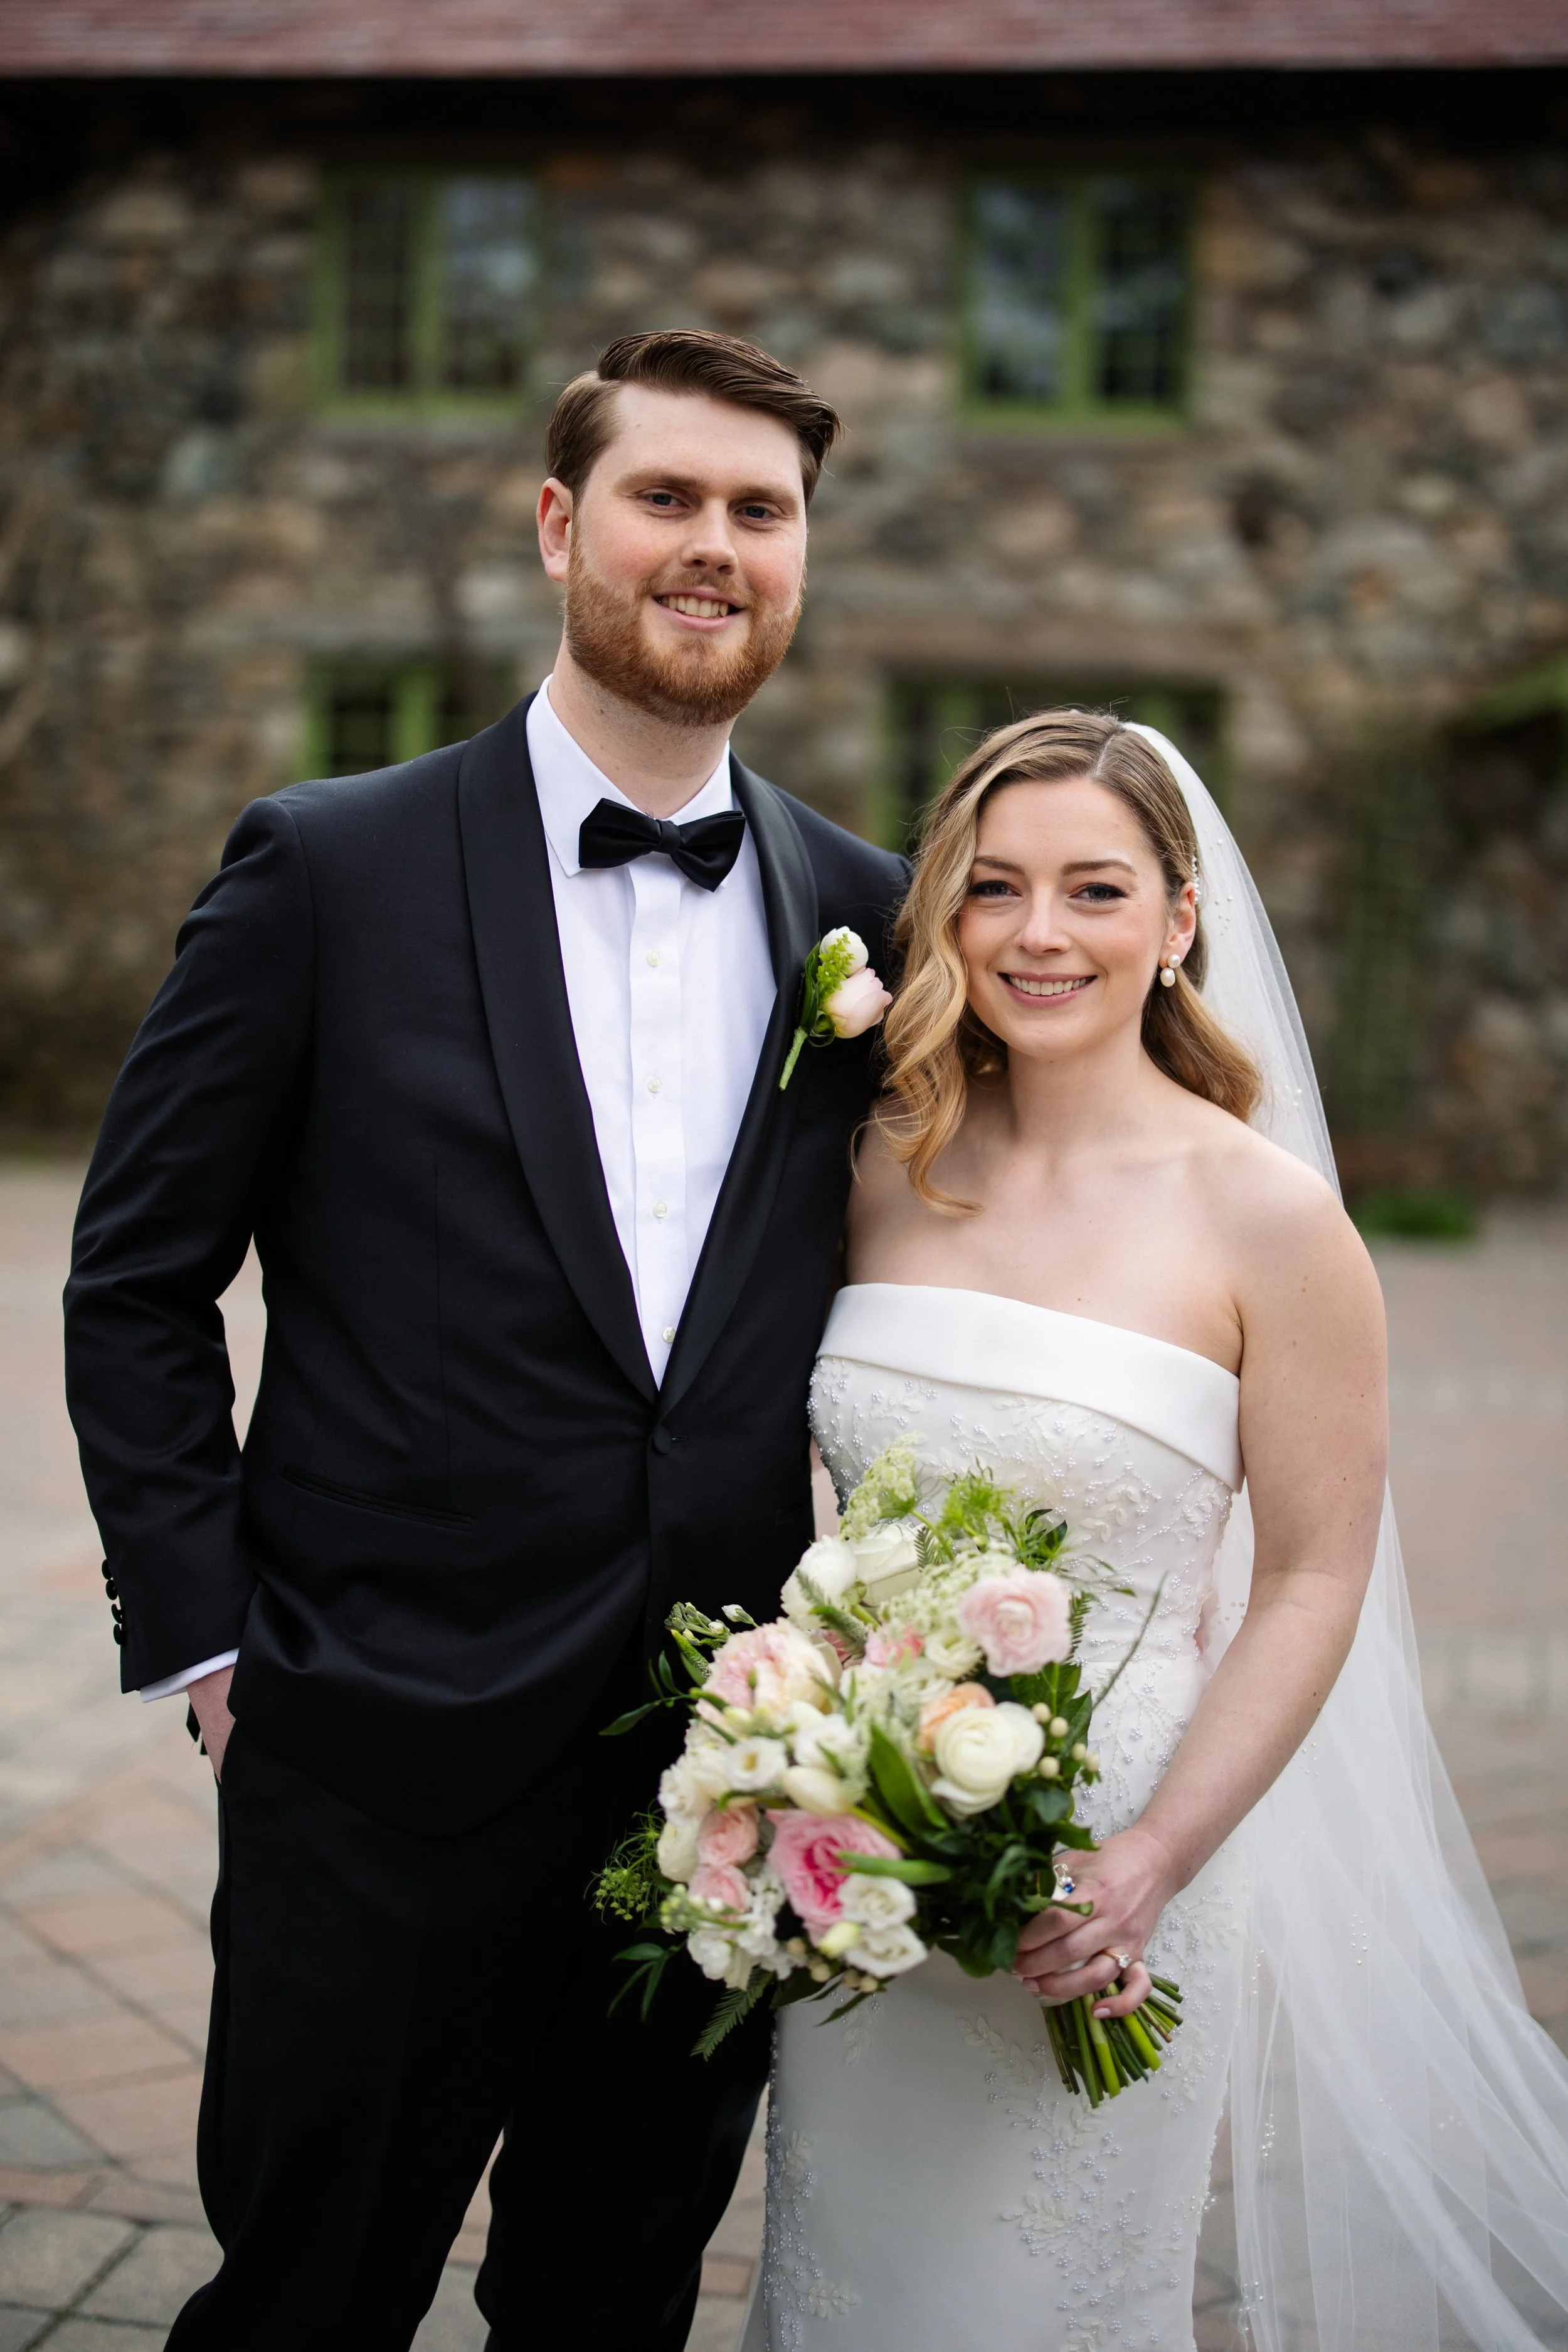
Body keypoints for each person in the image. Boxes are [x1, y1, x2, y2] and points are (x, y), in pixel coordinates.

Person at [63, 329, 907, 2351]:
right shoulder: (324, 866)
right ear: (558, 526)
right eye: (666, 498)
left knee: (612, 2301)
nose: (714, 548)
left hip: (718, 1778)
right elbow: (135, 1273)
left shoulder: (865, 915)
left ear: (801, 557)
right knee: (308, 2296)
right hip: (367, 1752)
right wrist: (209, 1642)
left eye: (759, 513)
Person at [743, 711, 1568, 2352]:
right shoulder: (877, 1166)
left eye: (1094, 890)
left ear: (1178, 918)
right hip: (866, 1862)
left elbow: (1315, 1570)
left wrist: (1145, 1865)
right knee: (842, 2287)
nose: (1037, 934)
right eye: (992, 888)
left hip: (1112, 1865)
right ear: (942, 915)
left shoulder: (1267, 1214)